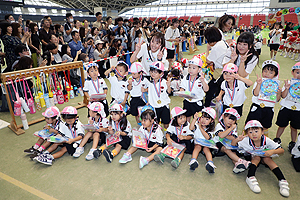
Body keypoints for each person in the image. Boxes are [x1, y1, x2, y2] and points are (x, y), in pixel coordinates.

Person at [232, 120, 289, 197]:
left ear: (262, 131)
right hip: (250, 157)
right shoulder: (246, 140)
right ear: (247, 134)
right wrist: (238, 139)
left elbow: (281, 150)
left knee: (267, 159)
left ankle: (282, 180)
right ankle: (250, 176)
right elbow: (233, 144)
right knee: (257, 157)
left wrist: (272, 151)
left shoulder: (266, 140)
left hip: (264, 156)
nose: (254, 134)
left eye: (256, 131)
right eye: (250, 132)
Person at [245, 60, 281, 137]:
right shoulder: (259, 81)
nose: (267, 74)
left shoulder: (276, 85)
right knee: (250, 124)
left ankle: (263, 141)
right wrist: (258, 84)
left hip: (268, 108)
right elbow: (255, 93)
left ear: (275, 75)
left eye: (271, 73)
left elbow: (277, 100)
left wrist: (279, 93)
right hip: (257, 107)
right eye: (265, 71)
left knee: (265, 126)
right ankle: (245, 139)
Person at [213, 108, 251, 173]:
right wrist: (230, 129)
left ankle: (237, 165)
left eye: (233, 120)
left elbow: (233, 138)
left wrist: (238, 138)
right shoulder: (219, 125)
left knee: (233, 152)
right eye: (228, 118)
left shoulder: (234, 126)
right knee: (226, 149)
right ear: (223, 116)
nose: (230, 121)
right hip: (218, 143)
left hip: (228, 143)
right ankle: (242, 161)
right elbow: (221, 135)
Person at [274, 62, 300, 152]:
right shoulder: (288, 82)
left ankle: (293, 142)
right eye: (297, 72)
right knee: (282, 125)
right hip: (286, 108)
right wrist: (287, 88)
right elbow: (283, 96)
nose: (299, 75)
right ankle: (277, 139)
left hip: (298, 110)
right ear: (292, 72)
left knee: (294, 127)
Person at [204, 26, 229, 107]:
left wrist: (207, 49)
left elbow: (208, 60)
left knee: (210, 90)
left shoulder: (217, 46)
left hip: (220, 72)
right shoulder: (222, 42)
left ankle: (206, 106)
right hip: (225, 70)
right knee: (218, 90)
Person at [180, 57, 209, 122]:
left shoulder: (201, 79)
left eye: (194, 68)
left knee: (198, 119)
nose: (191, 70)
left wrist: (203, 82)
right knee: (187, 117)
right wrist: (181, 91)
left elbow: (206, 89)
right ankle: (187, 129)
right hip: (187, 101)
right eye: (189, 67)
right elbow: (182, 87)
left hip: (197, 102)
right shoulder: (185, 78)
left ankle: (197, 130)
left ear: (199, 70)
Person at [145, 61, 171, 131]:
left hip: (164, 105)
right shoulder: (150, 83)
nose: (153, 74)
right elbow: (150, 93)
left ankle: (167, 133)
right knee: (156, 122)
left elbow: (169, 92)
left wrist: (169, 86)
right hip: (154, 106)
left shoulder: (164, 82)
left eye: (155, 72)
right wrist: (149, 101)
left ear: (161, 73)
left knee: (166, 122)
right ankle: (157, 133)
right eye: (151, 71)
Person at [189, 107, 216, 173]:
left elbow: (207, 137)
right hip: (197, 142)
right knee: (197, 146)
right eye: (202, 117)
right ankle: (193, 161)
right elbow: (191, 128)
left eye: (207, 119)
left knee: (206, 149)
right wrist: (194, 119)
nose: (203, 120)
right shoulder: (197, 124)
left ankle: (210, 163)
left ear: (211, 121)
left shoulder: (211, 129)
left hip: (207, 144)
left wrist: (201, 128)